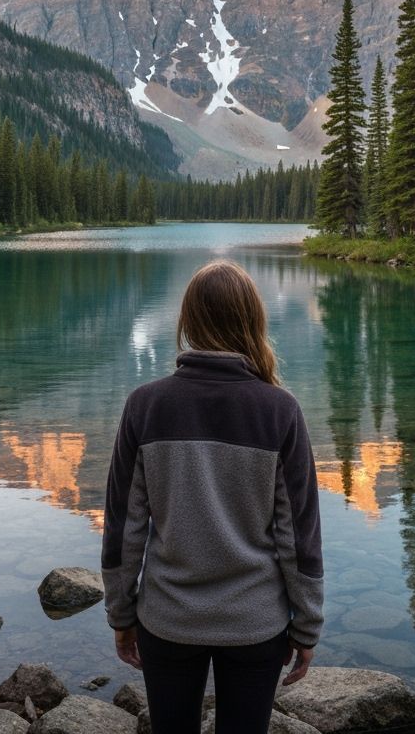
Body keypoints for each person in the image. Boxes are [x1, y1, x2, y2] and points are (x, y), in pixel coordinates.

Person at [101, 259, 324, 734]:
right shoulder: (280, 410)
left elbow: (124, 526)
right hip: (255, 624)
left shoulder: (146, 405)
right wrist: (306, 625)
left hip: (167, 621)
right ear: (252, 321)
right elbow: (299, 534)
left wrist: (122, 614)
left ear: (189, 323)